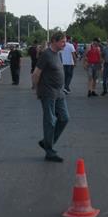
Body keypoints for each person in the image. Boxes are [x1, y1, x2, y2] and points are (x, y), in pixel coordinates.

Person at [32, 31, 69, 162]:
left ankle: (47, 142)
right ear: (54, 41)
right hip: (48, 93)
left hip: (59, 93)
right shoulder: (46, 55)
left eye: (65, 41)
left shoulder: (58, 54)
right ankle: (49, 151)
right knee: (50, 121)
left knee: (64, 118)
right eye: (62, 41)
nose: (65, 44)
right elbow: (36, 74)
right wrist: (37, 90)